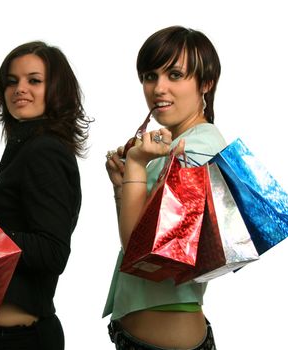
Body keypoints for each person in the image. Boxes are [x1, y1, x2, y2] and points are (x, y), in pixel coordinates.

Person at [0, 41, 91, 350]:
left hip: (19, 340)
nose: (19, 89)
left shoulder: (45, 151)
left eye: (33, 80)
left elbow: (53, 252)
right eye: (12, 81)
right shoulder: (25, 146)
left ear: (56, 90)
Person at [103, 26, 226, 350]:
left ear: (206, 82)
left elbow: (138, 250)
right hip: (144, 335)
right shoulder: (174, 147)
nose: (159, 88)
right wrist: (124, 184)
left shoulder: (198, 150)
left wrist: (135, 166)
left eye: (174, 74)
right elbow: (143, 232)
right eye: (149, 75)